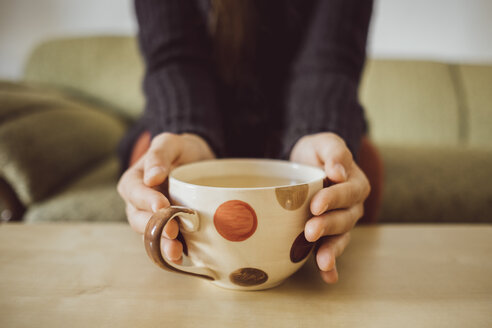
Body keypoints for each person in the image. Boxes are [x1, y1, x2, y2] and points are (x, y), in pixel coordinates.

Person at [117, 0, 377, 284]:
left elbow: (332, 57)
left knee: (355, 165)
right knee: (151, 159)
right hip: (194, 124)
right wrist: (184, 130)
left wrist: (318, 131)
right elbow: (172, 54)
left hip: (297, 127)